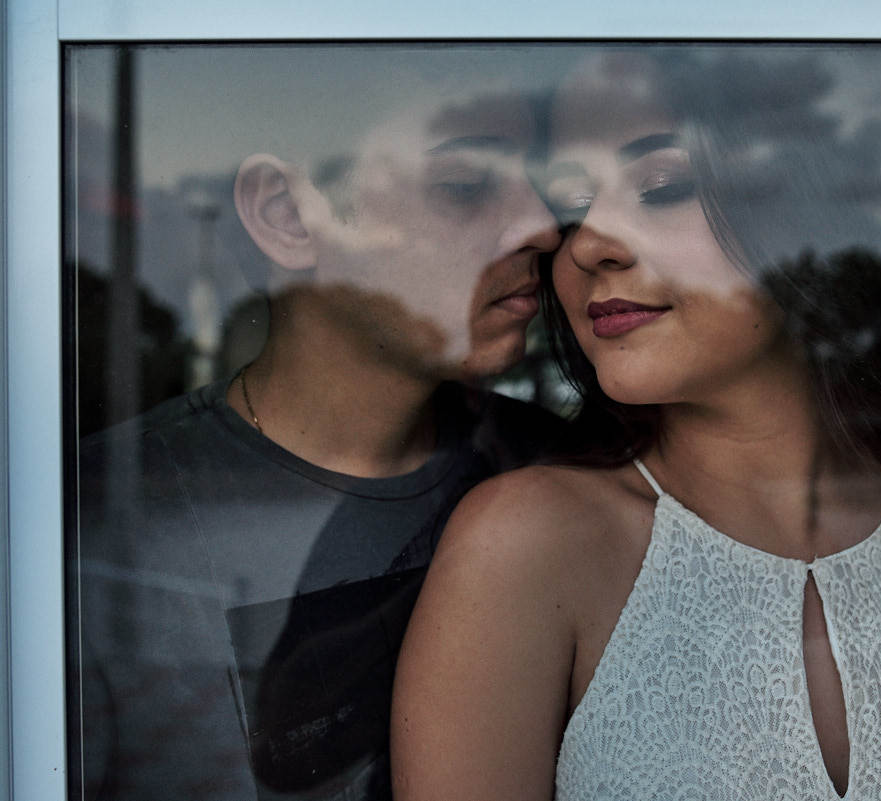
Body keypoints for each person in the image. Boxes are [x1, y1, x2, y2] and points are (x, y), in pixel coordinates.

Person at [392, 50, 881, 801]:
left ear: (806, 205)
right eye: (572, 203)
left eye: (661, 186)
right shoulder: (524, 545)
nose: (588, 244)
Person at [75, 47, 563, 801]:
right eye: (466, 184)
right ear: (286, 215)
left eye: (543, 180)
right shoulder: (95, 525)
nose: (541, 225)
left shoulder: (564, 475)